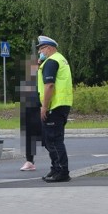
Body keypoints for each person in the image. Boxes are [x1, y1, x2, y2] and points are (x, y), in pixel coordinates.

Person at [35, 35, 73, 183]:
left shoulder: (51, 62)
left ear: (49, 48)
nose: (40, 52)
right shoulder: (59, 59)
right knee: (51, 139)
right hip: (61, 104)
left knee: (54, 140)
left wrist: (44, 106)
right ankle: (56, 168)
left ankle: (62, 171)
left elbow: (49, 86)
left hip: (54, 106)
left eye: (42, 49)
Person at [19, 58, 42, 171]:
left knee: (45, 135)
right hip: (31, 106)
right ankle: (29, 161)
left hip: (41, 105)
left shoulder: (49, 66)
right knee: (30, 134)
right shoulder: (30, 79)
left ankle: (58, 159)